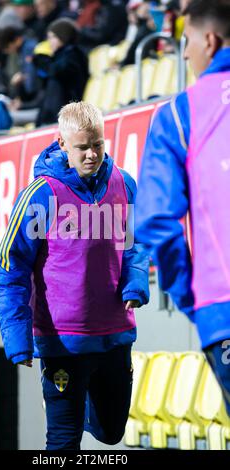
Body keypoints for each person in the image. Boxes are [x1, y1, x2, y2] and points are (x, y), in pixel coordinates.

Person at [0, 101, 150, 450]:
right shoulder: (41, 195)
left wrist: (136, 281)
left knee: (112, 433)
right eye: (83, 147)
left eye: (98, 144)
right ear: (63, 144)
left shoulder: (123, 184)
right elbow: (10, 266)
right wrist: (19, 338)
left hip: (115, 333)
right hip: (61, 341)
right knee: (63, 441)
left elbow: (136, 244)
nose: (92, 154)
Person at [135, 0, 230, 415]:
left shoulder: (178, 113)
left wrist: (193, 298)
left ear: (210, 40)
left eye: (187, 41)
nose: (185, 52)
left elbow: (155, 220)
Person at [35, 18, 89, 126]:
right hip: (57, 113)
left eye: (52, 37)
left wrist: (44, 62)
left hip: (68, 113)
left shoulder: (73, 54)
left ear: (63, 36)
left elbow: (60, 71)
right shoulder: (60, 56)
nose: (49, 42)